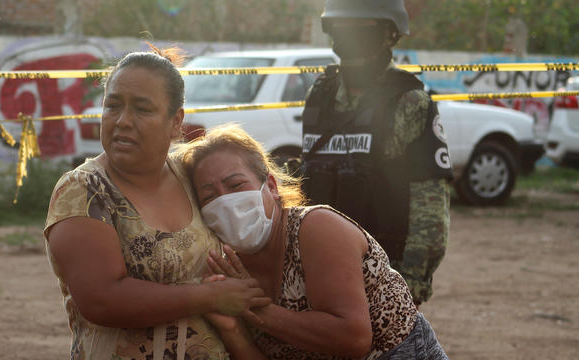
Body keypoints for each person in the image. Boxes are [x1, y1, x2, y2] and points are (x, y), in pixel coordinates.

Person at [43, 46, 270, 359]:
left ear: (176, 122)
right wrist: (210, 297)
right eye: (113, 105)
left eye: (142, 109)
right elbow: (102, 300)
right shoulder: (84, 190)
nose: (122, 120)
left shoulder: (193, 176)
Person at [179, 124, 449, 360]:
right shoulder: (228, 270)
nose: (226, 201)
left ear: (271, 186)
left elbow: (353, 338)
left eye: (236, 186)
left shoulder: (316, 228)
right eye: (209, 196)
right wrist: (233, 329)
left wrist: (256, 310)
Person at [297, 0, 453, 306]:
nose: (349, 39)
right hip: (314, 272)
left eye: (362, 30)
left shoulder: (410, 103)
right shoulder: (320, 95)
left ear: (390, 34)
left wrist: (407, 290)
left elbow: (430, 211)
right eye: (340, 29)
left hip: (381, 277)